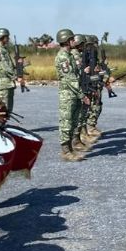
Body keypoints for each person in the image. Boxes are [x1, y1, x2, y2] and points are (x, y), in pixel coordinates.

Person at [54, 29, 88, 161]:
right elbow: (70, 79)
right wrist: (82, 95)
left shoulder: (69, 56)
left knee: (73, 121)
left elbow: (76, 75)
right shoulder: (63, 57)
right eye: (72, 39)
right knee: (66, 122)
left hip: (73, 93)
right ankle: (65, 150)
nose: (75, 41)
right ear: (67, 41)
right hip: (67, 94)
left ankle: (70, 148)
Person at [0, 28, 18, 114]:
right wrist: (14, 76)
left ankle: (4, 126)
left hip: (8, 82)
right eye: (7, 37)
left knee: (8, 107)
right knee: (3, 107)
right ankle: (1, 126)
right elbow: (4, 65)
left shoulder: (4, 49)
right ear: (2, 37)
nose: (8, 39)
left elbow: (9, 64)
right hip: (3, 82)